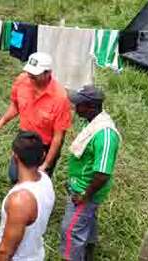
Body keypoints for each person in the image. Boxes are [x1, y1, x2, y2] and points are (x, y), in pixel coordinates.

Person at [59, 85, 121, 261]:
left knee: (71, 230)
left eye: (79, 105)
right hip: (81, 187)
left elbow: (102, 174)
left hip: (86, 192)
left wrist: (85, 196)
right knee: (88, 222)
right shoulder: (94, 123)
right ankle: (87, 254)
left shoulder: (105, 134)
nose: (75, 107)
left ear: (91, 107)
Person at [0, 53, 72, 178]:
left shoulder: (60, 98)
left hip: (44, 145)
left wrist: (46, 164)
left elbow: (57, 137)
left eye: (34, 75)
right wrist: (1, 122)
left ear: (47, 73)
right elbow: (16, 105)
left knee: (38, 180)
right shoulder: (22, 80)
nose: (30, 77)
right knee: (14, 175)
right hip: (24, 137)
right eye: (29, 73)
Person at [0, 132, 56, 261]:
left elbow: (5, 252)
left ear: (15, 157)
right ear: (42, 155)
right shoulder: (45, 179)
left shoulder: (20, 201)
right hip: (35, 253)